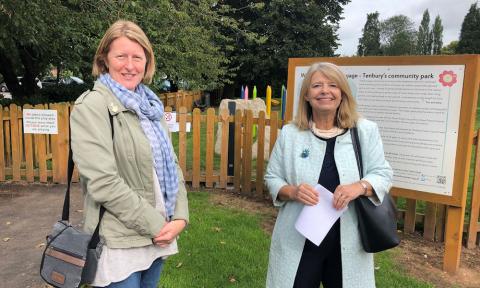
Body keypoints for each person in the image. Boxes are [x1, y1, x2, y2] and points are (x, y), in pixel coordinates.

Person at [70, 20, 189, 288]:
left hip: (159, 235)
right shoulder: (92, 106)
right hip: (119, 242)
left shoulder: (150, 106)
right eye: (121, 56)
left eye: (138, 57)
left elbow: (172, 165)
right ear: (104, 60)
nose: (130, 65)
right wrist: (156, 225)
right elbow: (103, 183)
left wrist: (180, 216)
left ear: (147, 62)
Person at [264, 62, 393, 288]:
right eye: (316, 85)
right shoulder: (290, 134)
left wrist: (360, 187)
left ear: (342, 93)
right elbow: (273, 177)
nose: (325, 91)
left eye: (333, 85)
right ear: (306, 95)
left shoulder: (365, 131)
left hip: (349, 241)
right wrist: (293, 192)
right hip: (299, 239)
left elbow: (383, 173)